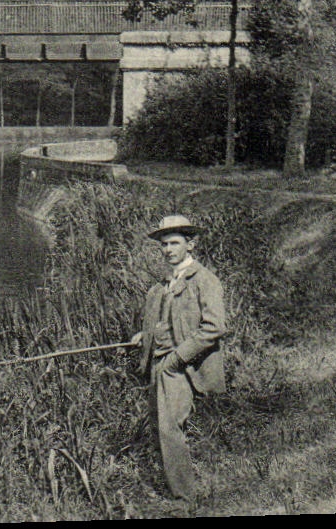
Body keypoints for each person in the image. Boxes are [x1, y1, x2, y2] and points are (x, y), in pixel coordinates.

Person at [133, 214, 226, 506]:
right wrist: (143, 336)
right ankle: (175, 487)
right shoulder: (165, 282)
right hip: (159, 363)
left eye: (175, 243)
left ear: (191, 245)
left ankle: (185, 498)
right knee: (160, 426)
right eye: (164, 244)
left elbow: (214, 327)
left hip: (180, 367)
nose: (168, 250)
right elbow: (166, 320)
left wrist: (176, 358)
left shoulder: (205, 280)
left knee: (171, 429)